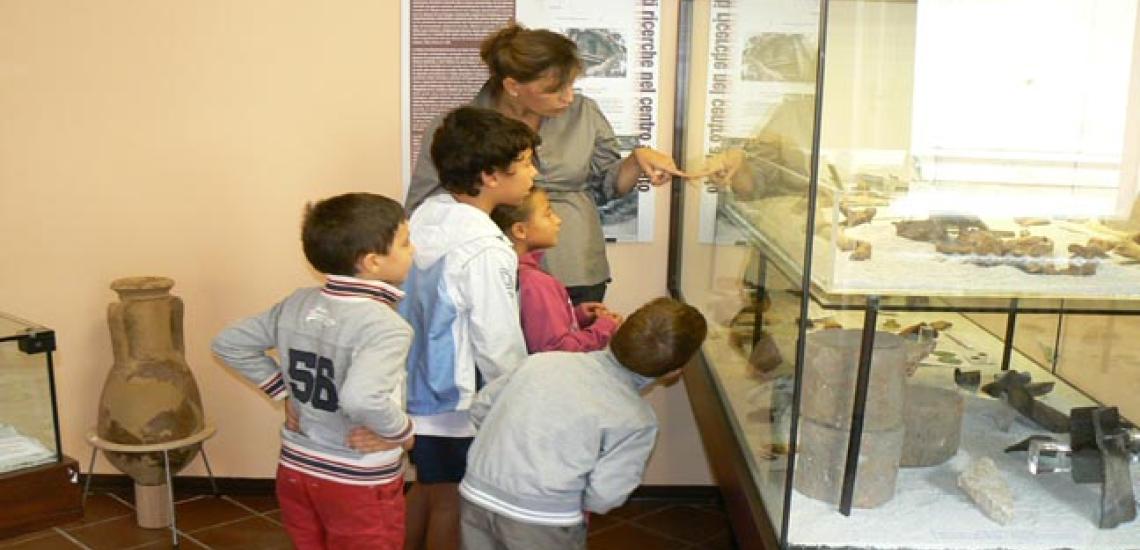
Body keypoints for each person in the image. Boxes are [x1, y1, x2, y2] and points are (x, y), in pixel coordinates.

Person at [407, 24, 689, 305]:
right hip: (492, 267)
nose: (568, 97)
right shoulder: (458, 128)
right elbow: (424, 208)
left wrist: (636, 160)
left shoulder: (583, 112)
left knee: (573, 344)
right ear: (512, 86)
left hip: (573, 263)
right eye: (554, 89)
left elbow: (606, 187)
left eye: (571, 85)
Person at [212, 192, 415, 550]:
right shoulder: (385, 326)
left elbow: (229, 342)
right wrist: (403, 432)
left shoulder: (297, 302)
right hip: (358, 479)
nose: (413, 249)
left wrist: (283, 392)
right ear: (372, 262)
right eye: (405, 242)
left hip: (296, 469)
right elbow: (361, 397)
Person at [457, 297, 708, 550]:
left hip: (476, 494)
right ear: (674, 372)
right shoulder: (638, 421)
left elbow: (481, 408)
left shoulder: (543, 362)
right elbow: (603, 497)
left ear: (617, 330)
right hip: (544, 520)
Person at [399, 106, 537, 550]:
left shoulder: (425, 216)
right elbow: (497, 341)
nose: (534, 172)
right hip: (456, 397)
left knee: (426, 488)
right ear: (491, 175)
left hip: (414, 390)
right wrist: (515, 397)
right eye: (526, 162)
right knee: (453, 503)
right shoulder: (485, 248)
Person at [490, 187, 622, 353]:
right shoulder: (536, 283)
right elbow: (556, 349)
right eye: (548, 214)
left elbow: (534, 329)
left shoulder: (512, 272)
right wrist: (603, 328)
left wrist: (576, 316)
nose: (558, 220)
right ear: (520, 230)